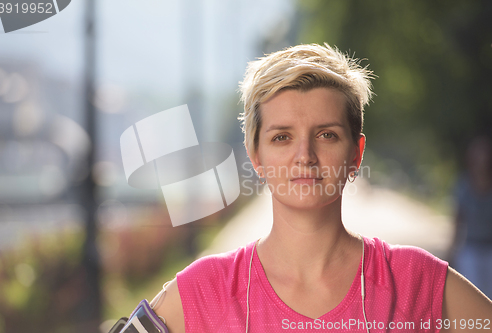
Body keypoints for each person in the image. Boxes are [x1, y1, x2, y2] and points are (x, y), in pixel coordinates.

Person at [148, 43, 492, 332]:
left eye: (327, 135)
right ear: (256, 157)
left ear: (356, 154)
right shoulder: (203, 291)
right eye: (282, 137)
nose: (305, 156)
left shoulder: (417, 282)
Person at [451, 135, 492, 299]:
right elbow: (458, 220)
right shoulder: (463, 185)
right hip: (470, 249)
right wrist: (452, 252)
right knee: (473, 296)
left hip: (490, 248)